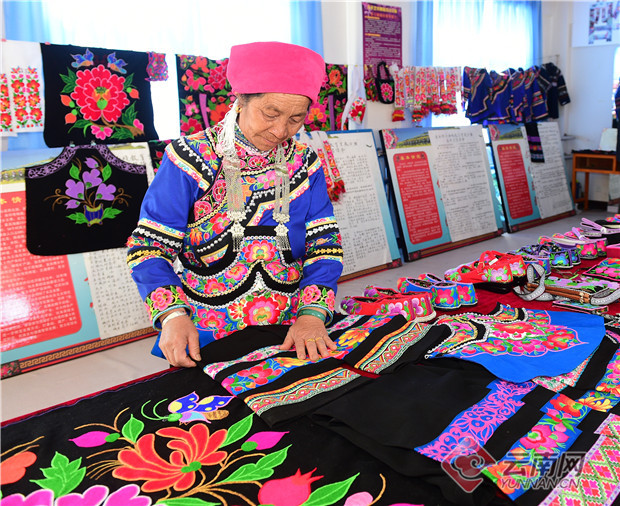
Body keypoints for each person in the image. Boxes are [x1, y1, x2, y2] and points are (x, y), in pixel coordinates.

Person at [127, 41, 344, 367]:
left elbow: (324, 243)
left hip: (291, 331)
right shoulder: (190, 158)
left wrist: (312, 315)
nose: (280, 130)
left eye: (296, 118)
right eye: (270, 114)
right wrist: (172, 315)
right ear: (241, 99)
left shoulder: (305, 163)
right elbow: (148, 247)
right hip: (207, 334)